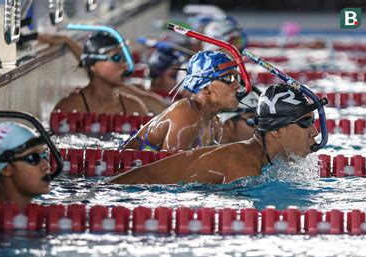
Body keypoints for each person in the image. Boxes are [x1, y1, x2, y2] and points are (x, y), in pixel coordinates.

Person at [109, 83, 321, 184]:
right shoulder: (242, 166)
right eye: (305, 123)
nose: (314, 132)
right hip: (117, 193)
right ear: (275, 130)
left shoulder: (255, 158)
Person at [120, 50, 241, 153]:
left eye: (236, 77)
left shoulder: (215, 123)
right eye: (228, 77)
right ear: (205, 87)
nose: (237, 85)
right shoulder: (187, 113)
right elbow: (171, 174)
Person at [39, 32, 167, 115]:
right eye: (117, 58)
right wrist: (69, 42)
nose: (125, 65)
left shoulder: (134, 108)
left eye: (124, 58)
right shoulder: (68, 108)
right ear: (94, 65)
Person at [0, 122, 53, 211]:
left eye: (45, 155)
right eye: (33, 157)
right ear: (6, 169)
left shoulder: (35, 216)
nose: (46, 166)